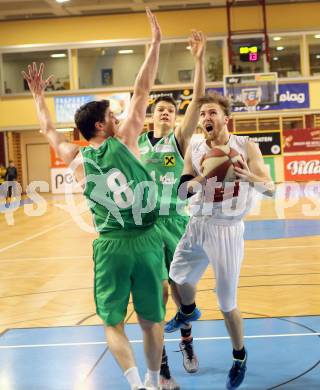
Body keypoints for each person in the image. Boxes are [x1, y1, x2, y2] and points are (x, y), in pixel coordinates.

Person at [23, 9, 165, 390]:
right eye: (112, 114)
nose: (119, 116)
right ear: (102, 125)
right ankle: (154, 381)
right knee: (152, 322)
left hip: (110, 246)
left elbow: (46, 129)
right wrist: (154, 44)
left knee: (112, 323)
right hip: (147, 241)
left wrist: (39, 96)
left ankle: (136, 385)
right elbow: (143, 88)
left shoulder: (75, 156)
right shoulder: (128, 140)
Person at [166, 92, 275, 390]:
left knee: (227, 303)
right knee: (175, 277)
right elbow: (181, 192)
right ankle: (188, 311)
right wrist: (203, 178)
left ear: (226, 119)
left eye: (211, 113)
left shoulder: (246, 146)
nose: (205, 118)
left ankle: (239, 356)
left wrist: (247, 175)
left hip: (227, 229)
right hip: (198, 224)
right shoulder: (195, 147)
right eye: (202, 115)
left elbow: (271, 189)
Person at [138, 30, 206, 390]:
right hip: (144, 227)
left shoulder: (176, 140)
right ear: (150, 115)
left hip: (176, 222)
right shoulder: (134, 142)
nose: (165, 112)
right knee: (157, 293)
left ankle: (187, 340)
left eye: (170, 109)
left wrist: (197, 61)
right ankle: (163, 368)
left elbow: (196, 102)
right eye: (159, 109)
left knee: (182, 288)